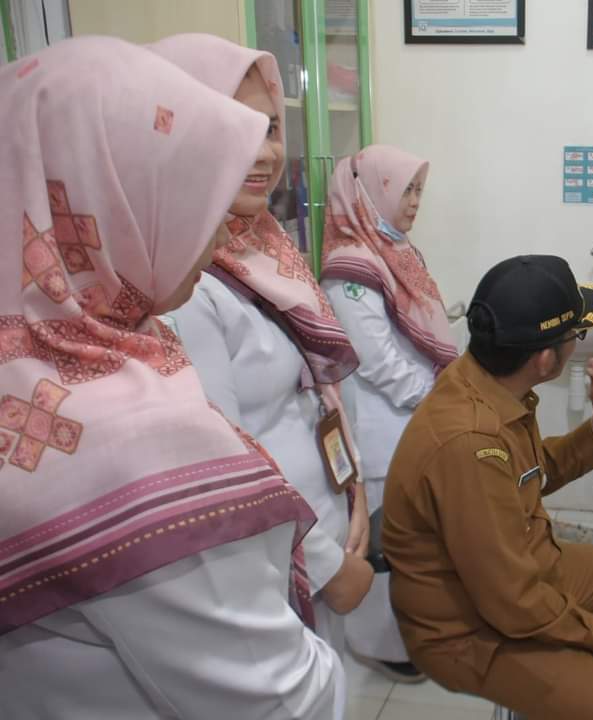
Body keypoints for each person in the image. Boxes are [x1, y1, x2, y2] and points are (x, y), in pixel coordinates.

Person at [0, 37, 342, 718]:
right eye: (184, 189)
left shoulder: (49, 355)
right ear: (107, 201)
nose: (214, 231)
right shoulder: (136, 437)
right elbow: (283, 700)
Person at [150, 33, 373, 655]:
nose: (264, 150)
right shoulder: (184, 285)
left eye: (270, 127)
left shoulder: (265, 248)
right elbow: (226, 465)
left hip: (323, 519)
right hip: (280, 558)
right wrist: (328, 566)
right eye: (232, 124)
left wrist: (353, 491)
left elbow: (314, 392)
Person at [381, 256, 593, 720]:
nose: (579, 343)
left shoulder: (488, 382)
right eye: (577, 335)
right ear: (545, 360)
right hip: (465, 630)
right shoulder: (470, 443)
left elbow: (530, 473)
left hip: (514, 573)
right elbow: (511, 600)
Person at [321, 145, 458, 682]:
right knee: (383, 539)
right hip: (382, 426)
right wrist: (437, 394)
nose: (415, 201)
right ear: (372, 192)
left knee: (412, 537)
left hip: (412, 416)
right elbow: (376, 359)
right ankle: (377, 644)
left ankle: (411, 634)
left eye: (419, 190)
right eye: (405, 190)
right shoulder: (350, 267)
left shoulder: (395, 251)